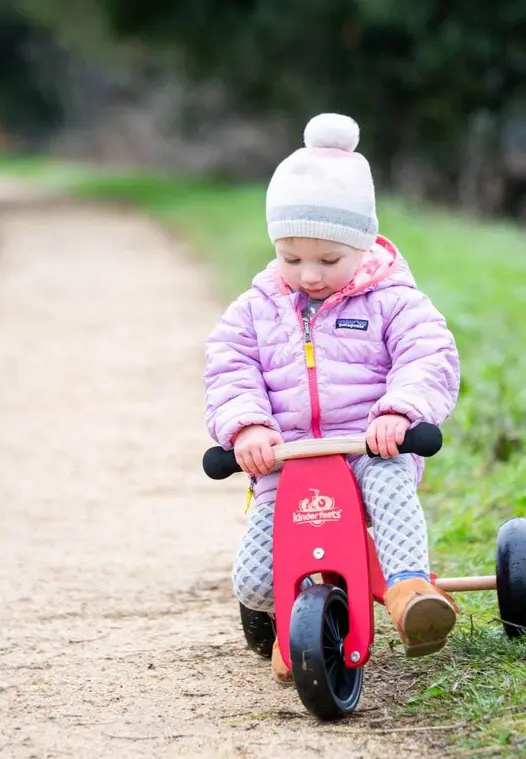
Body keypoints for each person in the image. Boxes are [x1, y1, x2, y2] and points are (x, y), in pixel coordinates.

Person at [204, 112, 461, 683]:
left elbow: (428, 354)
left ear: (362, 245)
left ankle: (408, 591)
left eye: (328, 259)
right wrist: (246, 426)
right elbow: (228, 365)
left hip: (368, 448)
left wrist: (399, 412)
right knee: (253, 581)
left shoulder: (391, 300)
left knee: (390, 485)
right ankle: (294, 615)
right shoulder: (258, 307)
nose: (309, 274)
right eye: (292, 258)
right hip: (288, 460)